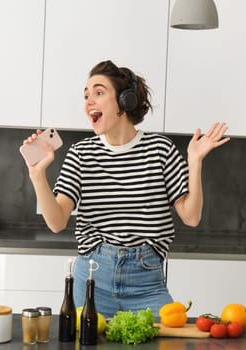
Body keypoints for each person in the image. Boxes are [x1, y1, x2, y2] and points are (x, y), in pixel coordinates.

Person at [22, 60, 229, 318]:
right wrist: (38, 175)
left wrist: (194, 161)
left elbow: (192, 216)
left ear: (125, 100)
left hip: (147, 283)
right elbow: (56, 222)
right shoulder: (81, 154)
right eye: (86, 95)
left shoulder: (160, 150)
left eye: (99, 93)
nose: (88, 102)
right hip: (92, 280)